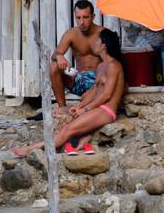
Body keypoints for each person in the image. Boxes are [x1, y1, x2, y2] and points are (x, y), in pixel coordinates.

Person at [13, 28, 127, 158]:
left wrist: (85, 110)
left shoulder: (114, 65)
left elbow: (106, 95)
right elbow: (94, 91)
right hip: (96, 109)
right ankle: (78, 142)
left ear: (103, 45)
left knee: (67, 129)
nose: (93, 43)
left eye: (97, 41)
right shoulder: (101, 66)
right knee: (66, 118)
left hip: (106, 110)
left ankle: (30, 149)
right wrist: (79, 107)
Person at [49, 0, 104, 110]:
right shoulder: (72, 34)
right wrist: (59, 56)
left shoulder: (103, 34)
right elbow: (55, 54)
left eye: (85, 17)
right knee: (53, 66)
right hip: (79, 81)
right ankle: (62, 109)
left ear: (93, 17)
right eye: (78, 18)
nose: (81, 22)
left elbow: (114, 62)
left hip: (98, 83)